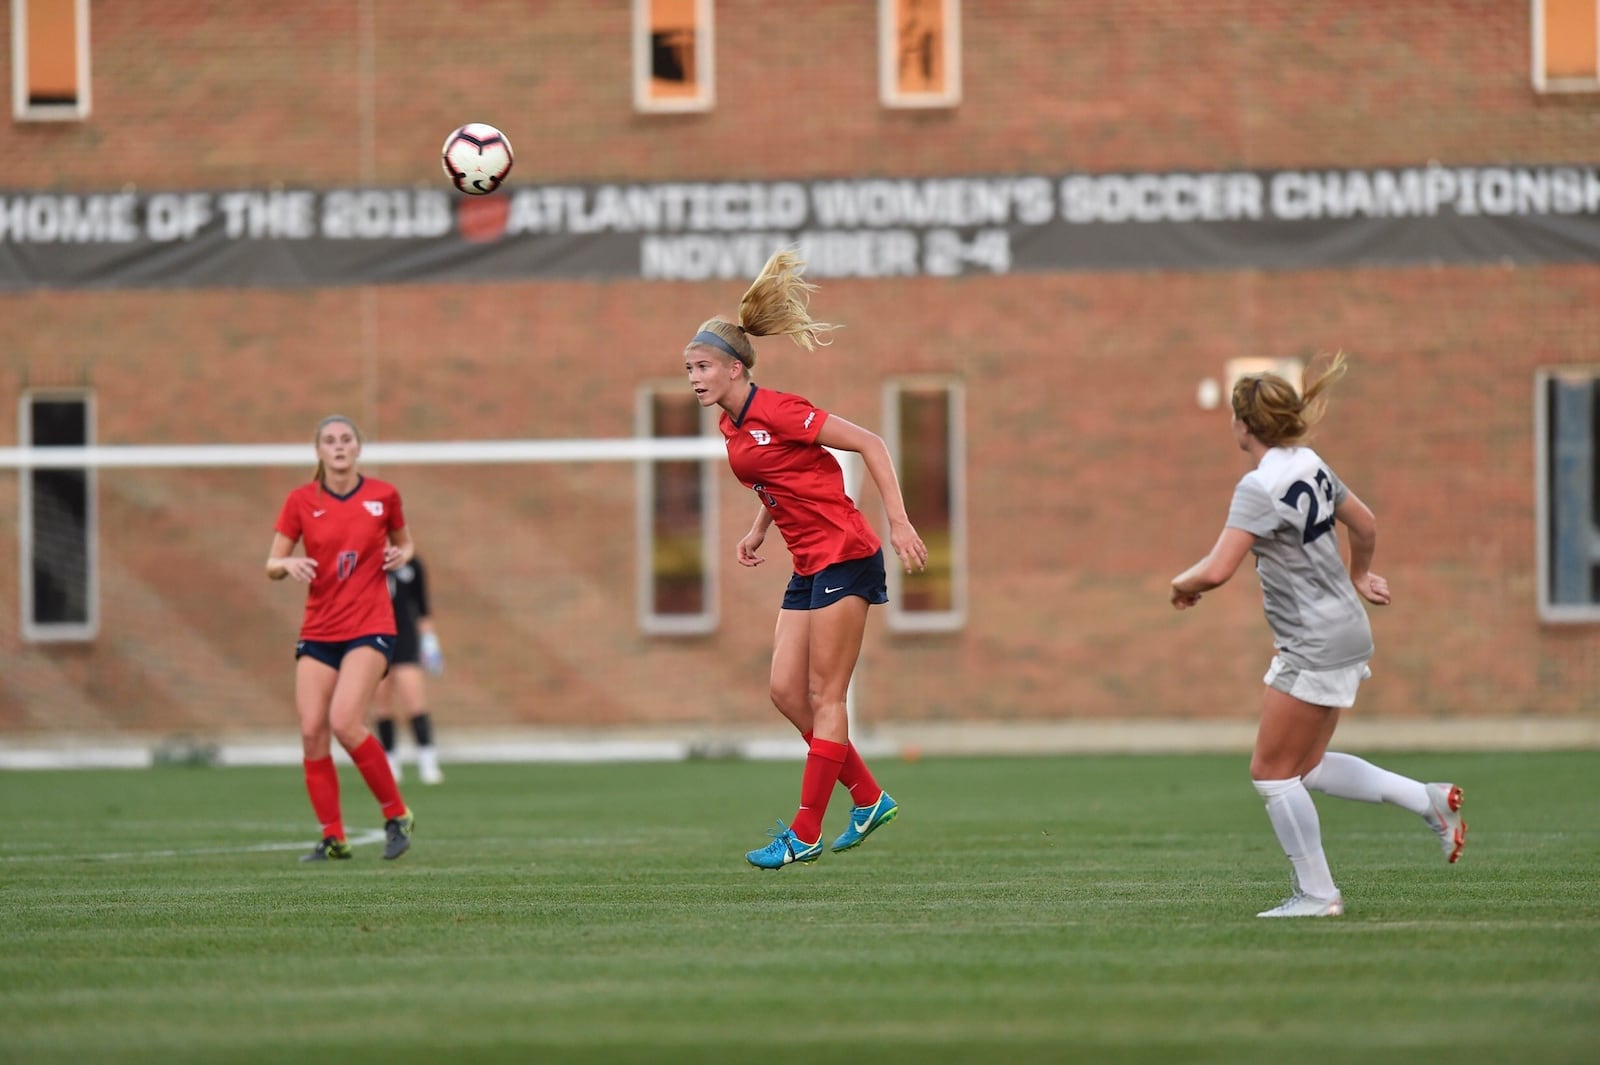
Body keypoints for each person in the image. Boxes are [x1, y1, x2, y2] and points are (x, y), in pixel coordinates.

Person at [1170, 355, 1466, 917]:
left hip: (1313, 642)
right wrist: (1360, 574)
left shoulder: (1258, 486)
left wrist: (1178, 585)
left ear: (1242, 425)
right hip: (1347, 630)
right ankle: (1428, 800)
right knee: (1305, 767)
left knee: (1270, 774)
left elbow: (1216, 570)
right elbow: (1367, 522)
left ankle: (1318, 895)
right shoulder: (1308, 462)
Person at [682, 247, 929, 870]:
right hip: (807, 562)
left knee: (825, 694)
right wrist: (760, 528)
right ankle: (869, 796)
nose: (695, 377)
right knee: (785, 691)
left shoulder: (780, 409)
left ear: (737, 369)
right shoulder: (733, 429)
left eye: (704, 366)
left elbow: (869, 443)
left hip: (847, 552)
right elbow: (785, 478)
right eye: (689, 368)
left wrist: (898, 520)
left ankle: (806, 830)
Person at [266, 414, 416, 863]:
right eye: (329, 441)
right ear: (318, 451)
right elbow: (271, 563)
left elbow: (406, 544)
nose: (338, 447)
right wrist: (288, 565)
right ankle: (334, 837)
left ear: (357, 448)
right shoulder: (300, 501)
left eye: (345, 439)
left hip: (371, 625)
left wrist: (398, 553)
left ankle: (397, 815)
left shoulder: (383, 496)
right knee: (312, 730)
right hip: (319, 628)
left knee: (345, 722)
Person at [373, 554, 446, 786]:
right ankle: (390, 762)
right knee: (382, 704)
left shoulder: (412, 564)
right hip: (376, 638)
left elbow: (422, 607)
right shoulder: (369, 560)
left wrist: (430, 642)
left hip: (406, 640)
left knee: (414, 701)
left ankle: (427, 760)